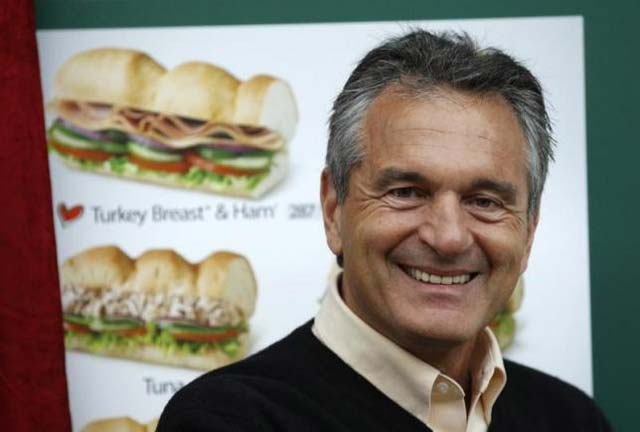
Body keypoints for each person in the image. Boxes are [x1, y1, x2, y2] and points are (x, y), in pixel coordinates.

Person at [157, 29, 611, 432]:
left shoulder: (571, 418)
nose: (449, 237)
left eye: (485, 202)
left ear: (529, 232)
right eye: (407, 192)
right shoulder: (226, 420)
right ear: (334, 209)